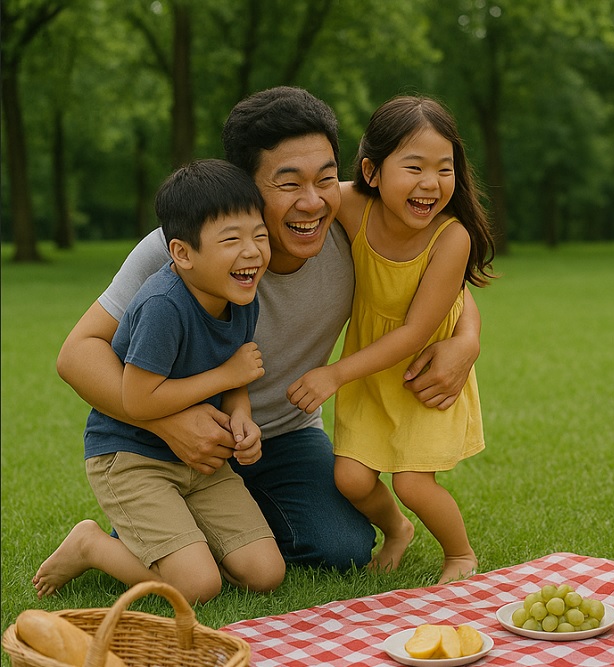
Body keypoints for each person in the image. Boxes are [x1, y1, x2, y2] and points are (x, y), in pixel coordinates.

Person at [49, 87, 482, 574]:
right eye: (289, 184)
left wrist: (466, 340)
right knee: (202, 554)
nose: (312, 202)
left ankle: (198, 535)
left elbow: (433, 268)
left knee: (341, 549)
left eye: (324, 179)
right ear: (246, 187)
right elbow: (77, 353)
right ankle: (168, 534)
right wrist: (167, 423)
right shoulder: (181, 250)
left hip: (283, 433)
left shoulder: (349, 222)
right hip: (177, 438)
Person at [34, 159, 285, 604]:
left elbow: (237, 380)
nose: (252, 252)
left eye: (259, 236)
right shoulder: (162, 306)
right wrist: (226, 375)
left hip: (202, 464)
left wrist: (242, 417)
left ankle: (181, 544)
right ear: (182, 253)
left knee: (265, 573)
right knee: (197, 587)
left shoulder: (241, 293)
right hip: (132, 456)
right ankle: (92, 544)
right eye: (231, 240)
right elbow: (137, 399)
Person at [288, 95, 495, 584]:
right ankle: (397, 530)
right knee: (352, 479)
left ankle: (460, 554)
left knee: (413, 483)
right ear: (372, 171)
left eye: (445, 169)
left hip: (420, 372)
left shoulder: (451, 237)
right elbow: (303, 199)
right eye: (414, 167)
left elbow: (416, 332)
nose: (431, 183)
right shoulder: (353, 207)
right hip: (370, 376)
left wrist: (333, 373)